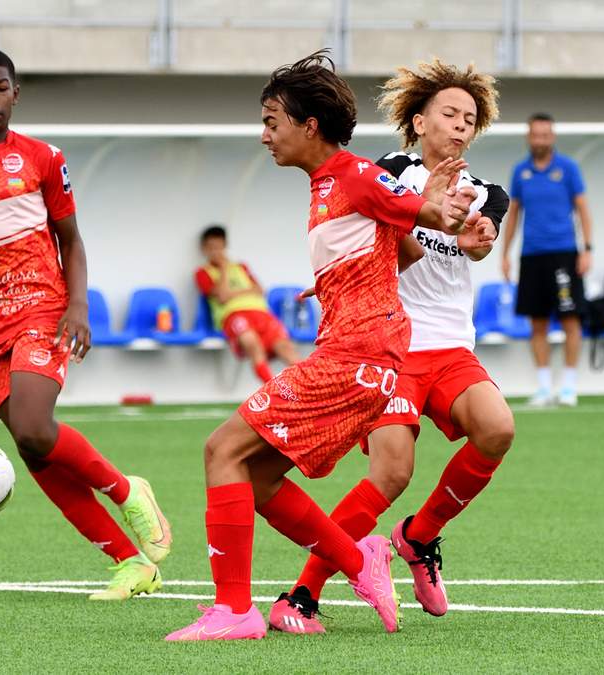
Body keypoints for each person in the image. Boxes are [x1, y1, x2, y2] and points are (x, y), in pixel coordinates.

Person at [165, 50, 484, 642]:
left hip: (356, 358)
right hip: (360, 355)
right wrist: (338, 277)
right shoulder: (327, 184)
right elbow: (403, 247)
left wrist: (448, 209)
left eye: (271, 121)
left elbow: (427, 213)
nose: (265, 135)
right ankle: (358, 558)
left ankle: (235, 610)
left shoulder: (356, 176)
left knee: (220, 451)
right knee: (256, 478)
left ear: (308, 125)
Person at [0, 49, 171, 601]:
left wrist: (78, 306)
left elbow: (71, 239)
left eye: (0, 88)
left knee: (37, 427)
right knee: (31, 447)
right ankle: (129, 564)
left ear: (16, 95)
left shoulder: (44, 157)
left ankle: (125, 488)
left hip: (41, 307)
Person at [269, 58, 512, 634]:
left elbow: (482, 243)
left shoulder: (488, 192)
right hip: (394, 342)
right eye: (449, 113)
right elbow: (377, 247)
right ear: (420, 119)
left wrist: (476, 238)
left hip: (452, 346)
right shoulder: (386, 173)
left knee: (498, 429)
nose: (460, 125)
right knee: (392, 472)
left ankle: (417, 536)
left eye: (470, 118)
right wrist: (428, 227)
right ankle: (301, 595)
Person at [500, 112, 594, 407]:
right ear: (529, 137)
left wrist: (587, 249)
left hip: (564, 254)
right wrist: (505, 254)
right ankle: (543, 387)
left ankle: (568, 387)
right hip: (531, 256)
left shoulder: (568, 169)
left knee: (570, 321)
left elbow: (583, 210)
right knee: (536, 323)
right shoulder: (520, 172)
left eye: (544, 134)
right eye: (535, 135)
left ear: (552, 137)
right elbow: (514, 213)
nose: (539, 139)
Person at [195, 224, 301, 383]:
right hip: (234, 316)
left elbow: (259, 290)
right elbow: (222, 297)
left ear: (225, 246)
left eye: (219, 247)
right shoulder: (202, 273)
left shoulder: (241, 267)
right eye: (211, 248)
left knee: (286, 348)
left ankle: (309, 392)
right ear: (204, 249)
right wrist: (224, 270)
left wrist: (233, 293)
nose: (216, 252)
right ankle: (273, 391)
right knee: (253, 344)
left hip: (261, 313)